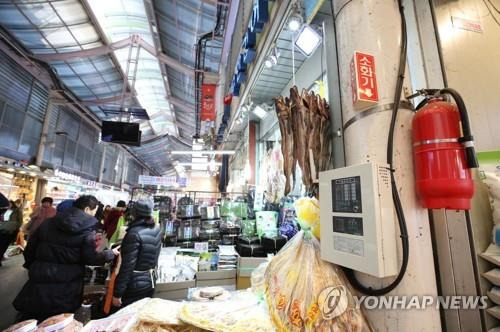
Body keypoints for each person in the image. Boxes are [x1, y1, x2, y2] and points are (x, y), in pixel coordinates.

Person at [13, 195, 119, 321]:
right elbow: (92, 258)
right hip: (67, 288)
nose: (94, 215)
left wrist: (36, 268)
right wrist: (111, 254)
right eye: (94, 211)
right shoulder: (90, 229)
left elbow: (29, 251)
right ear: (86, 209)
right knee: (58, 322)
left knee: (31, 321)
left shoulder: (48, 223)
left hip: (38, 284)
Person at [112, 199, 162, 309]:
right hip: (150, 281)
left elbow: (127, 267)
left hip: (134, 285)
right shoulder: (157, 229)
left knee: (128, 318)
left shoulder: (134, 233)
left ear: (134, 213)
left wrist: (117, 293)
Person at [0, 199, 23, 265]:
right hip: (2, 229)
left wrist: (15, 227)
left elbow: (20, 221)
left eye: (9, 204)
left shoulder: (17, 210)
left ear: (13, 204)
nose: (8, 205)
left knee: (4, 245)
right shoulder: (3, 210)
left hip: (11, 231)